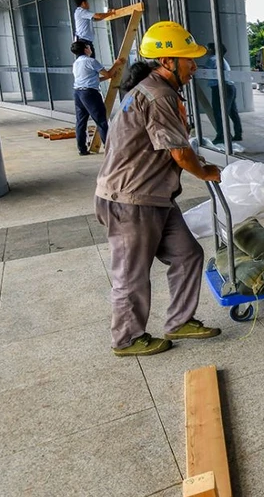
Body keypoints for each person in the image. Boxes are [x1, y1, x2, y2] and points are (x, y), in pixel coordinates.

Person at [95, 21, 224, 357]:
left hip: (155, 197)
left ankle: (180, 320)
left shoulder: (154, 90)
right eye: (189, 59)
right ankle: (126, 339)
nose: (194, 66)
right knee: (132, 274)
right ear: (168, 61)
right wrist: (205, 171)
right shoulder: (158, 94)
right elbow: (180, 153)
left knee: (188, 254)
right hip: (131, 200)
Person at [70, 40, 124, 156]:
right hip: (90, 94)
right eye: (88, 47)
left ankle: (82, 149)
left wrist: (107, 78)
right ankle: (109, 149)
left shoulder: (76, 63)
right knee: (101, 121)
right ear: (85, 49)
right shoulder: (91, 61)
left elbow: (93, 79)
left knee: (81, 122)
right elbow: (108, 74)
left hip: (78, 93)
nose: (90, 49)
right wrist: (117, 64)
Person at [198, 42, 243, 146]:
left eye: (207, 48)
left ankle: (222, 136)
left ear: (212, 50)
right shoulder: (221, 59)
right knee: (232, 112)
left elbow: (204, 72)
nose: (206, 50)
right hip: (230, 87)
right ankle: (238, 133)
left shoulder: (212, 59)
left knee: (219, 113)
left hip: (220, 88)